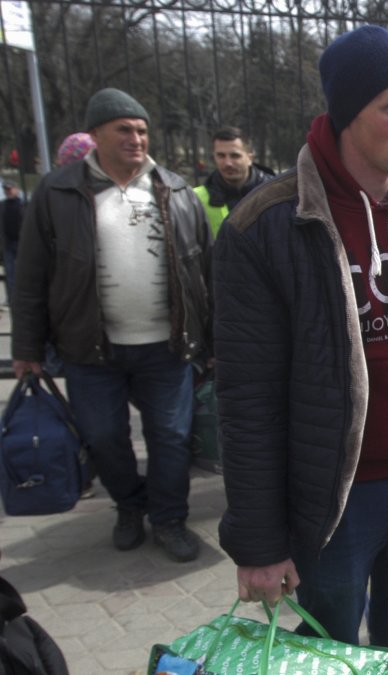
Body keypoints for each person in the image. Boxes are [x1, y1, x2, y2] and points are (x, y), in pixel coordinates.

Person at [211, 26, 388, 672]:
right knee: (332, 655)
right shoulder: (265, 225)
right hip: (337, 500)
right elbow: (247, 396)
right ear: (346, 112)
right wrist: (259, 541)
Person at [10, 87, 212, 563]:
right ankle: (129, 505)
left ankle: (169, 519)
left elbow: (206, 270)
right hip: (90, 347)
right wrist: (27, 346)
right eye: (124, 129)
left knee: (171, 436)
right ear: (96, 134)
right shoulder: (58, 192)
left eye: (142, 130)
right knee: (103, 436)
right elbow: (31, 276)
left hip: (167, 345)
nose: (136, 138)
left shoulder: (176, 189)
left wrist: (216, 339)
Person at [194, 126, 275, 236]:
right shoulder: (196, 198)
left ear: (250, 158)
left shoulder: (275, 192)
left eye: (235, 156)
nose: (228, 163)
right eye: (221, 156)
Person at [2, 180, 22, 305]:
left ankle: (21, 298)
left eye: (10, 189)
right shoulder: (2, 206)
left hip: (22, 243)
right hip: (8, 244)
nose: (8, 191)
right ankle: (12, 299)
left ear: (16, 189)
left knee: (23, 272)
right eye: (6, 189)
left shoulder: (23, 205)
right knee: (10, 273)